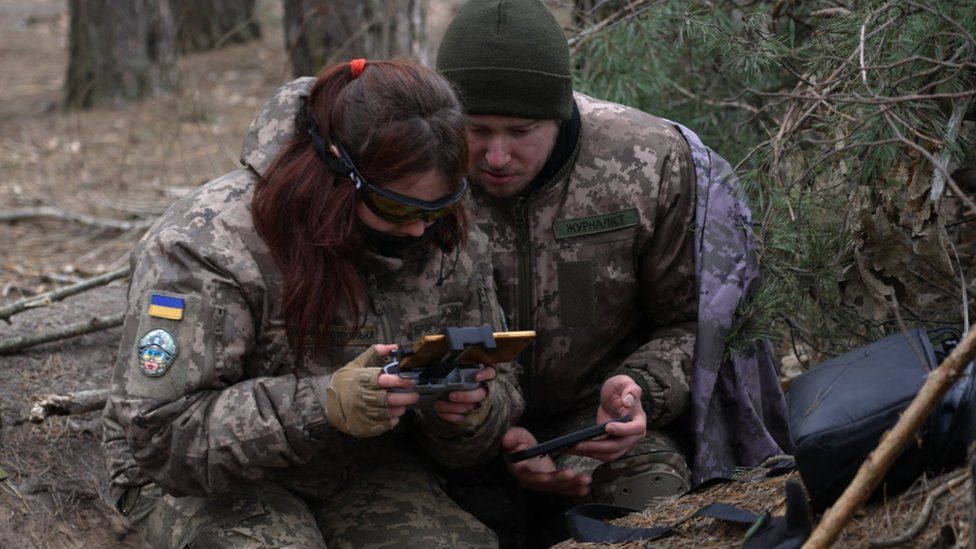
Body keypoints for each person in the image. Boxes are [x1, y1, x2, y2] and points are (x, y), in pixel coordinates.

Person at [101, 59, 523, 548]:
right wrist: (323, 405)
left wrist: (468, 414)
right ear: (338, 170)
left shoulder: (444, 235)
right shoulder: (205, 244)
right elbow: (162, 436)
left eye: (439, 207)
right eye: (396, 207)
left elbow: (503, 388)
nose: (417, 229)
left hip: (360, 463)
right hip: (194, 483)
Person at [434, 0, 793, 543]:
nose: (497, 156)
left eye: (520, 130)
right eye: (476, 130)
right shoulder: (415, 172)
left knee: (653, 502)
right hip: (450, 440)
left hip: (592, 432)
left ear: (560, 113)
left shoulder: (647, 163)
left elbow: (694, 321)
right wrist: (474, 421)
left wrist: (637, 392)